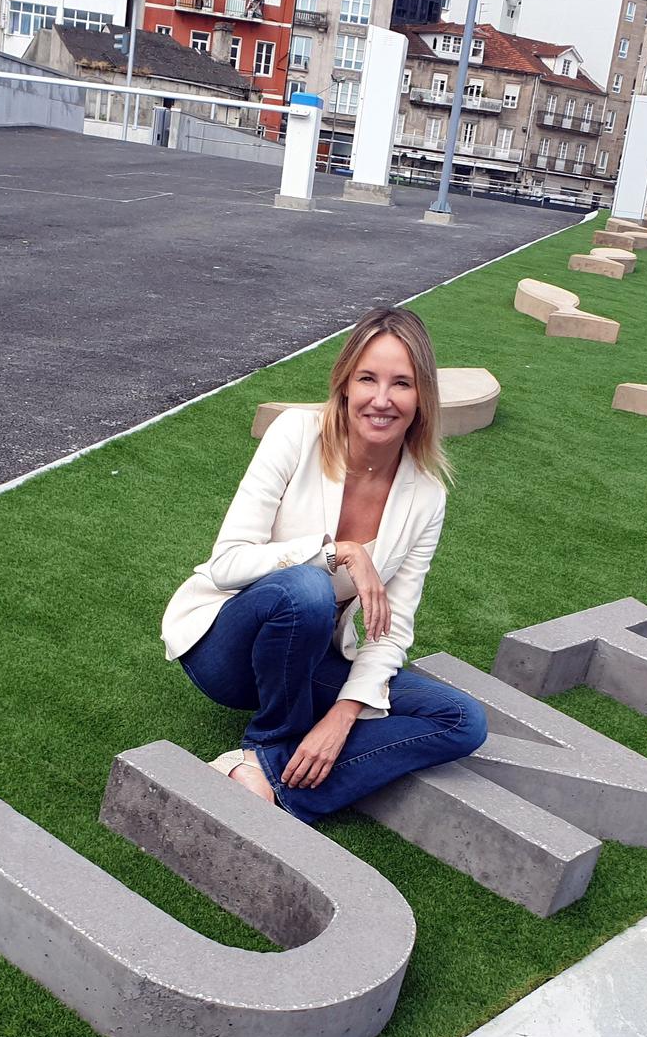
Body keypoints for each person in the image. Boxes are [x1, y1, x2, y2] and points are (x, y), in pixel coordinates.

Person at [160, 306, 488, 825]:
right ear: (345, 385)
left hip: (306, 659)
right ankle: (272, 740)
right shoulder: (297, 434)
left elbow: (392, 627)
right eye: (368, 379)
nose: (382, 400)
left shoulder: (426, 494)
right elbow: (226, 564)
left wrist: (344, 712)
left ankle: (264, 776)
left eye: (401, 383)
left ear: (421, 395)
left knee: (461, 720)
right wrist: (337, 552)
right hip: (225, 648)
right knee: (308, 588)